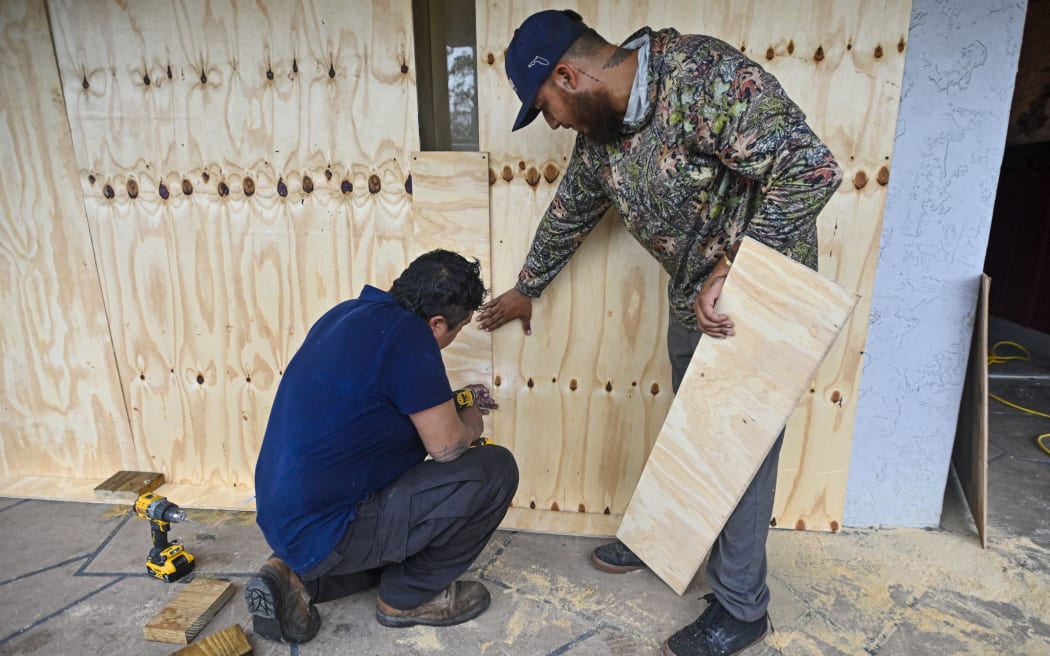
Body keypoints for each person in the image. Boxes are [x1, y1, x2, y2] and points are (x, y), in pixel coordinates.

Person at [477, 9, 842, 656]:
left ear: (568, 74)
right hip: (691, 300)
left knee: (740, 455)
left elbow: (811, 168)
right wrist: (524, 289)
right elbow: (570, 214)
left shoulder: (701, 79)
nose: (554, 122)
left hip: (758, 296)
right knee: (694, 439)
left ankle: (740, 609)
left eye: (547, 106)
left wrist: (736, 268)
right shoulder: (603, 138)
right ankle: (671, 543)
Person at [247, 249, 518, 644]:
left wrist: (453, 401)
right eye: (457, 329)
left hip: (286, 521)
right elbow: (446, 448)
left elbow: (375, 410)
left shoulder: (345, 315)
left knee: (392, 530)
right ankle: (408, 598)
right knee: (495, 469)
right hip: (331, 528)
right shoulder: (411, 336)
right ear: (437, 323)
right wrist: (473, 420)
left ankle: (294, 575)